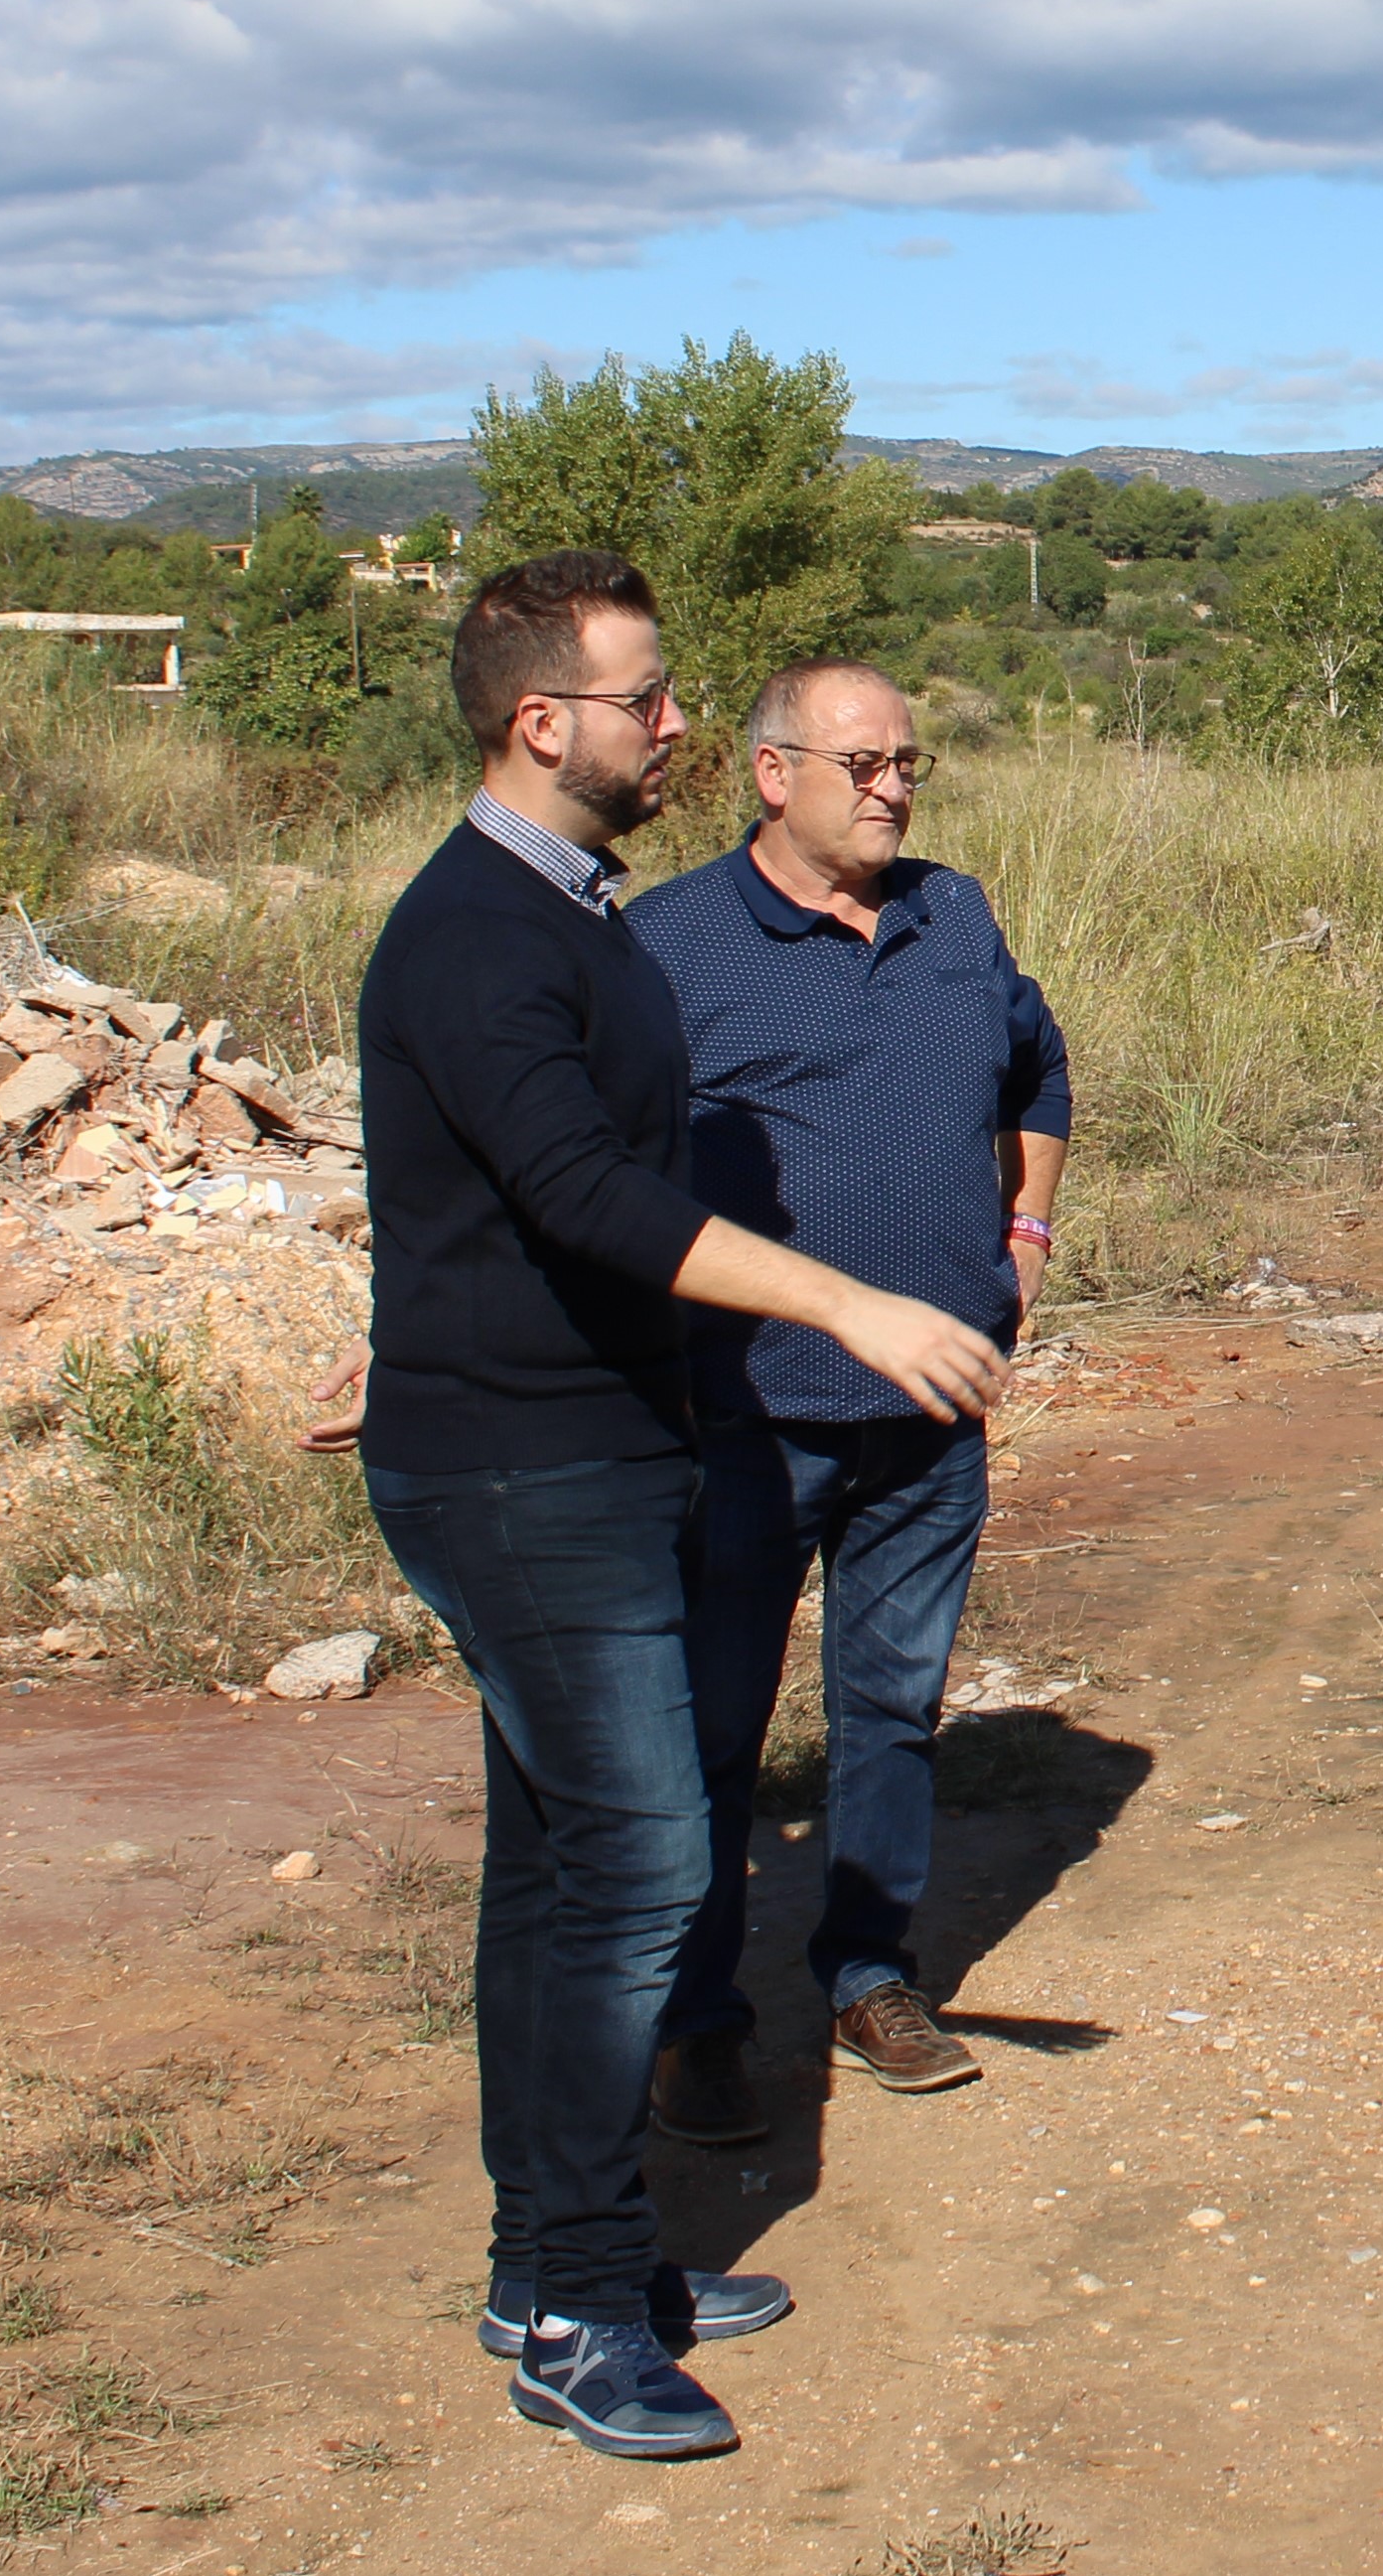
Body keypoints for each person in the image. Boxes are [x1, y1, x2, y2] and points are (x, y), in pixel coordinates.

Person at [353, 549, 1010, 2466]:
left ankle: (552, 2255)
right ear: (540, 720)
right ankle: (576, 2304)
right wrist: (845, 1297)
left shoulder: (565, 915)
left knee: (554, 1869)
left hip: (563, 1435)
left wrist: (407, 1327)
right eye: (646, 698)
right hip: (525, 1469)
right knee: (642, 1867)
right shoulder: (481, 931)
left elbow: (487, 1190)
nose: (671, 727)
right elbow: (584, 1195)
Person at [626, 662, 1070, 2135]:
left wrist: (1024, 1238)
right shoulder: (670, 943)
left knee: (891, 1704)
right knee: (711, 1723)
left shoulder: (957, 915)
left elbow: (1040, 1073)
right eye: (862, 761)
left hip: (931, 1415)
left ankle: (870, 1973)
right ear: (771, 772)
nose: (891, 786)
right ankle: (693, 2018)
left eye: (907, 763)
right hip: (743, 1412)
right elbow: (592, 1174)